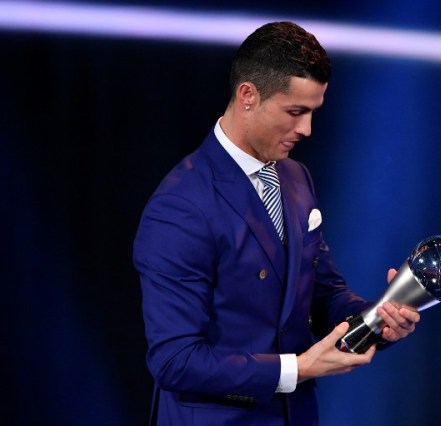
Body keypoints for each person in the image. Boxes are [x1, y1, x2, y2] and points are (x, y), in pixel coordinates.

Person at [133, 21, 420, 426]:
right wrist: (296, 370)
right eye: (295, 112)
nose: (306, 129)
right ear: (247, 95)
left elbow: (324, 296)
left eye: (313, 112)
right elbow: (175, 361)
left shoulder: (296, 179)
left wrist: (379, 318)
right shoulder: (181, 206)